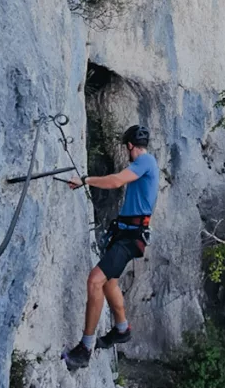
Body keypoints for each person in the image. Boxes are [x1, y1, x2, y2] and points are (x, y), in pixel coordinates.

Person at [62, 124, 158, 370]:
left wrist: (86, 180)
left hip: (130, 238)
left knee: (95, 280)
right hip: (125, 233)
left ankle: (85, 348)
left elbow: (116, 181)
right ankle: (122, 329)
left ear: (129, 146)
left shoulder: (145, 162)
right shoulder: (146, 164)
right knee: (110, 282)